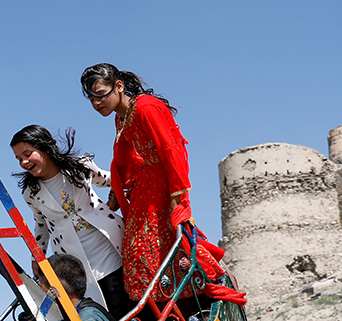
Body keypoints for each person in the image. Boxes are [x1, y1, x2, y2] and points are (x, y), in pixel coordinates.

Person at [79, 64, 245, 308]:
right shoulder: (121, 117)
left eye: (101, 94)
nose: (96, 103)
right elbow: (125, 157)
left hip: (164, 183)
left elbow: (172, 150)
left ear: (119, 86)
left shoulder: (146, 107)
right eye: (92, 99)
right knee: (137, 250)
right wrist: (117, 193)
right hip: (145, 186)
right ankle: (164, 311)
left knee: (168, 241)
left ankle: (196, 300)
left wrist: (178, 197)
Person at [10, 125, 130, 320]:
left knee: (123, 307)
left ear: (45, 148)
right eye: (19, 159)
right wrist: (36, 257)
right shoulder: (30, 193)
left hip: (108, 248)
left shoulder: (80, 166)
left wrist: (120, 192)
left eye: (27, 154)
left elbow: (111, 179)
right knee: (98, 314)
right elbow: (41, 224)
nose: (23, 162)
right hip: (74, 260)